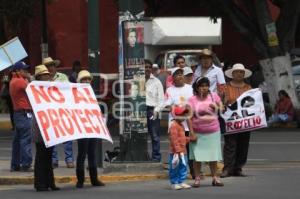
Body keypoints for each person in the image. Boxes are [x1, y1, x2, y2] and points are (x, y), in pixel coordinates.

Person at [187, 77, 224, 187]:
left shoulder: (214, 96)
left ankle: (215, 178)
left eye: (206, 85)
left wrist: (216, 107)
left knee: (213, 156)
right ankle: (197, 178)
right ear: (197, 88)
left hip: (213, 131)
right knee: (197, 157)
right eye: (202, 86)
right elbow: (188, 117)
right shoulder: (191, 100)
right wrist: (191, 132)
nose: (204, 88)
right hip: (197, 132)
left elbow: (222, 109)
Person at [221, 63, 252, 178]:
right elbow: (223, 102)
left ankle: (238, 168)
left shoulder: (248, 88)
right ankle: (227, 168)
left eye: (241, 72)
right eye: (237, 72)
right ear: (232, 74)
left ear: (244, 74)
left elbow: (252, 102)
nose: (239, 74)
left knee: (243, 144)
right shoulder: (226, 87)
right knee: (230, 144)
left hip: (246, 121)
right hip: (231, 121)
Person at [43, 57, 74, 168]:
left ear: (55, 67)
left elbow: (67, 91)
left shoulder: (63, 77)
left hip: (62, 110)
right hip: (49, 111)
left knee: (67, 136)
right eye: (47, 66)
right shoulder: (42, 79)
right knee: (52, 136)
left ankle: (69, 159)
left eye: (52, 65)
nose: (50, 68)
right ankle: (54, 159)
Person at [76, 70, 105, 188]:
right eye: (84, 79)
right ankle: (80, 180)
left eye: (88, 79)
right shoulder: (75, 94)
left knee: (92, 153)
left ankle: (94, 179)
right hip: (82, 127)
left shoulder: (91, 93)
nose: (87, 81)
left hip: (92, 126)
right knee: (82, 154)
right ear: (80, 81)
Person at [33, 65, 60, 192]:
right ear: (39, 77)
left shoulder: (49, 88)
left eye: (48, 75)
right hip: (40, 126)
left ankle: (50, 182)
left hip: (50, 126)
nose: (48, 77)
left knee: (49, 156)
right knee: (41, 156)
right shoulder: (33, 89)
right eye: (45, 75)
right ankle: (40, 184)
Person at [164, 67, 194, 179]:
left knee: (188, 150)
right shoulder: (169, 90)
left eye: (181, 74)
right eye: (177, 74)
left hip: (188, 124)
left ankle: (189, 173)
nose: (180, 76)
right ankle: (175, 176)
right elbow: (167, 104)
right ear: (173, 77)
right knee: (176, 150)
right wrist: (176, 108)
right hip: (175, 125)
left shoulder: (190, 88)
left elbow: (193, 103)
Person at [9, 61, 33, 172]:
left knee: (18, 140)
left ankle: (15, 164)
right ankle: (26, 163)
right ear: (18, 71)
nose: (26, 71)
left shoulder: (13, 81)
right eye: (24, 70)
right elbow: (32, 89)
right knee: (25, 139)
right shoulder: (20, 82)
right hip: (24, 113)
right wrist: (29, 78)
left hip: (18, 113)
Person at [168, 105, 192, 190]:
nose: (184, 117)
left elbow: (181, 138)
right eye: (182, 115)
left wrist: (188, 139)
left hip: (183, 151)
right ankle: (174, 182)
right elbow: (174, 139)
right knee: (174, 167)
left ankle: (181, 181)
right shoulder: (174, 125)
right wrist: (178, 150)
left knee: (183, 166)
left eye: (184, 115)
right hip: (175, 152)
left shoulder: (181, 125)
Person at [145, 59, 164, 161]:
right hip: (139, 111)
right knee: (140, 136)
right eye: (145, 67)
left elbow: (161, 100)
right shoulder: (137, 80)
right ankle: (143, 157)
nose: (147, 69)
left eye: (149, 67)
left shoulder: (157, 82)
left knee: (154, 135)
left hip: (152, 110)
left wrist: (156, 111)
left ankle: (156, 158)